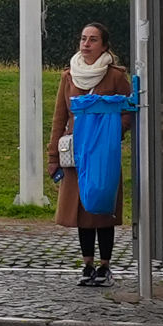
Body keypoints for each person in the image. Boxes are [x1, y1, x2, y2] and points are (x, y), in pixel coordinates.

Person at [51, 22, 128, 287]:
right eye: (83, 38)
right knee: (82, 211)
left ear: (104, 45)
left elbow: (129, 109)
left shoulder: (115, 76)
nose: (86, 44)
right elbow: (59, 118)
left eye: (93, 40)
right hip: (76, 153)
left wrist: (114, 131)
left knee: (102, 210)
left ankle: (105, 266)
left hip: (103, 154)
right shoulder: (68, 76)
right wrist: (53, 157)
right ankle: (87, 264)